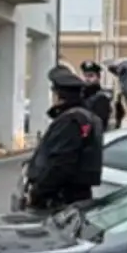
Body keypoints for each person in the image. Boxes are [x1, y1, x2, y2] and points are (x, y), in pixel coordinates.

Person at [24, 65, 104, 210]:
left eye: (54, 93)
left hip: (59, 200)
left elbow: (60, 164)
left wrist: (37, 194)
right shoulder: (87, 117)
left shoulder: (71, 120)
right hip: (74, 197)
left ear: (60, 96)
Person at [78, 60, 114, 132]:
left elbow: (100, 124)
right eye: (85, 75)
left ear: (98, 77)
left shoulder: (101, 98)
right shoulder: (81, 95)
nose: (87, 79)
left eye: (91, 76)